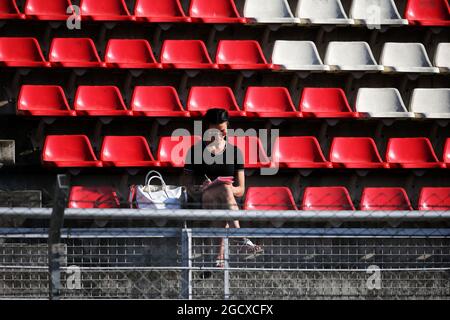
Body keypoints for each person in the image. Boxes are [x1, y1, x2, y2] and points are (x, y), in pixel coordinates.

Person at [181, 108, 262, 267]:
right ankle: (240, 239)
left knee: (225, 192)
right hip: (204, 198)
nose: (219, 135)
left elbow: (241, 190)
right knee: (224, 194)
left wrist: (227, 188)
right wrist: (199, 188)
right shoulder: (195, 151)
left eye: (223, 130)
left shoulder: (235, 152)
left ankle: (219, 259)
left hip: (226, 200)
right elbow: (187, 185)